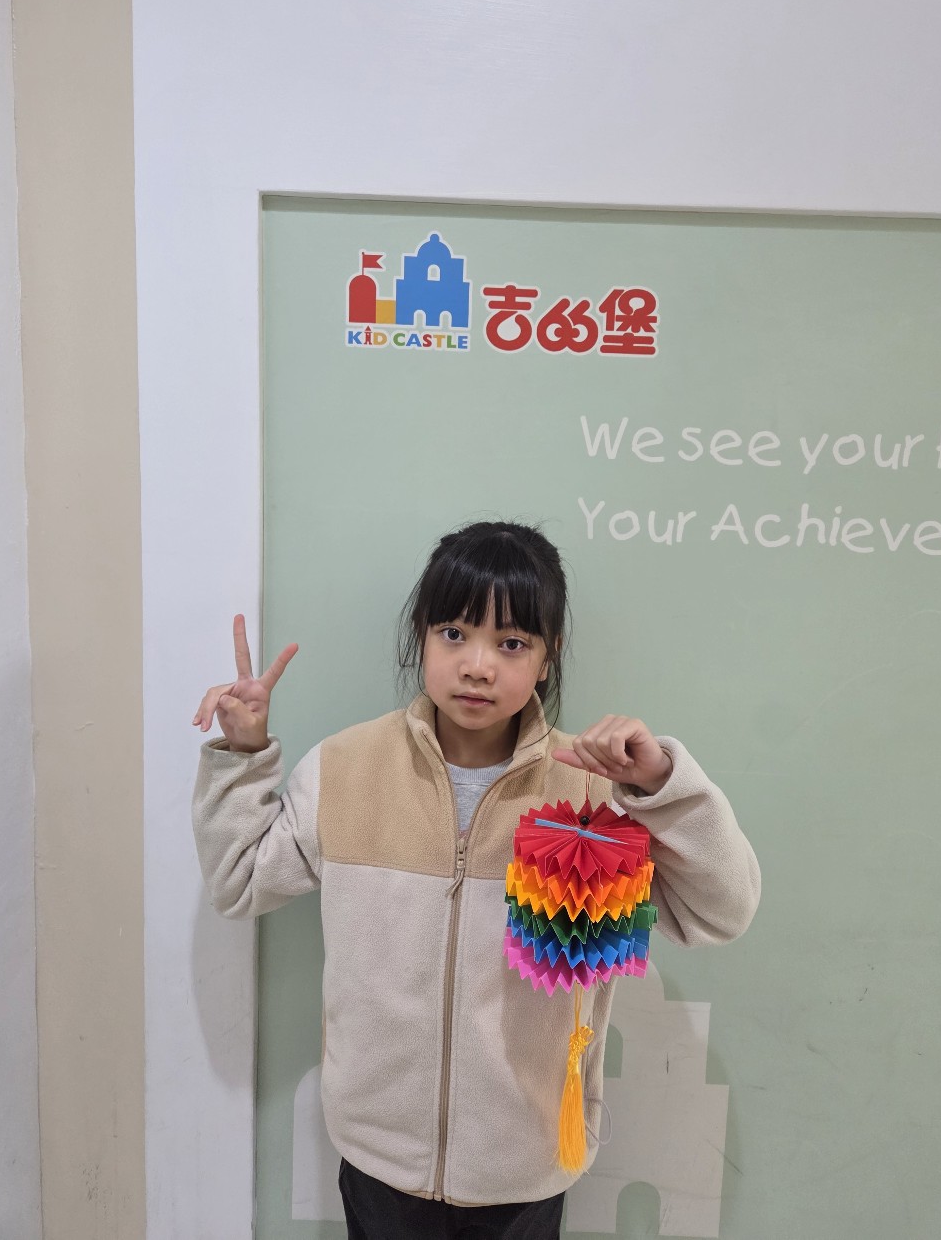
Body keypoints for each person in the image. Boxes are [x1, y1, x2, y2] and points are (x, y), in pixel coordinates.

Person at [191, 520, 760, 1240]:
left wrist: (661, 786)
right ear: (421, 638)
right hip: (379, 1157)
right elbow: (239, 879)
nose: (478, 666)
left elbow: (720, 911)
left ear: (548, 658)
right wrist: (243, 752)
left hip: (526, 1163)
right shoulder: (347, 767)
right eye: (454, 633)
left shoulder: (590, 792)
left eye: (512, 643)